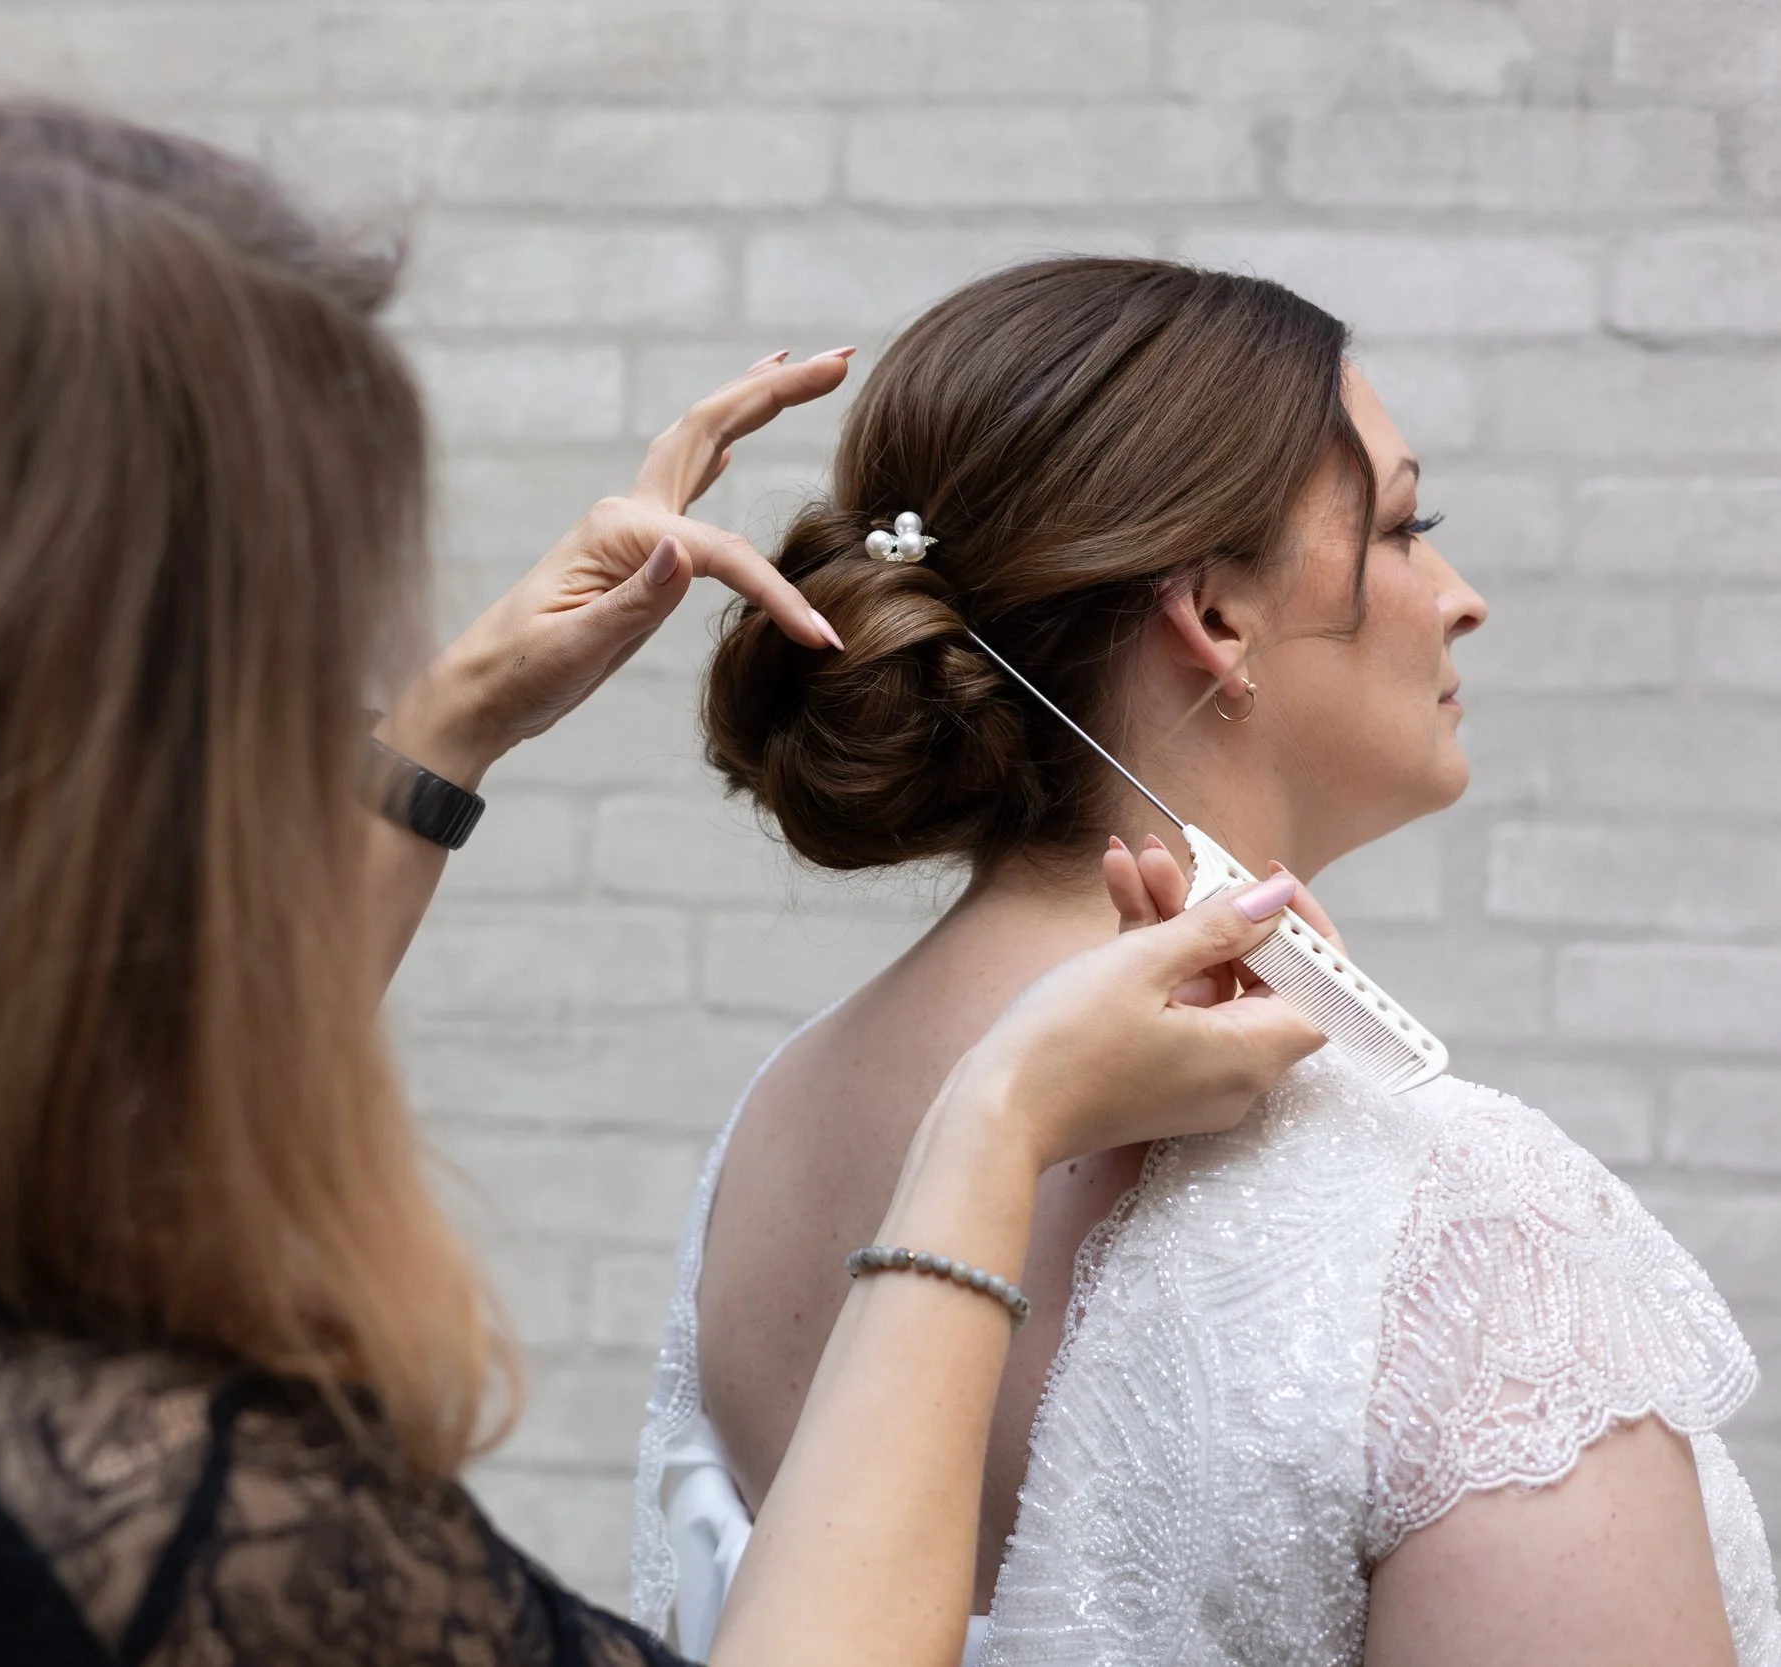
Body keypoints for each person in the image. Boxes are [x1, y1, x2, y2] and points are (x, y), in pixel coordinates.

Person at [0, 91, 1332, 1667]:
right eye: (315, 644)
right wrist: (991, 1131)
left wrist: (441, 741)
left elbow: (51, 1130)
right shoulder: (168, 1529)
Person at [633, 257, 1781, 1667]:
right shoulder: (1463, 1232)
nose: (1461, 598)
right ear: (1216, 618)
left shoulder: (775, 1123)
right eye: (1405, 529)